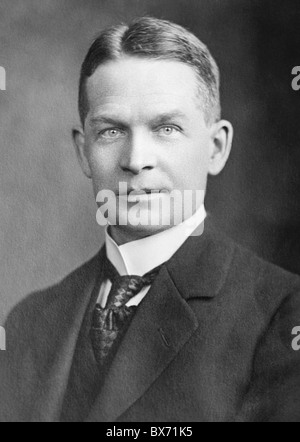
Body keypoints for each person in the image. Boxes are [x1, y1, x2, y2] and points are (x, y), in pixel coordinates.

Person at [1, 17, 300, 423]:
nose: (136, 160)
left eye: (167, 128)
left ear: (216, 148)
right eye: (111, 131)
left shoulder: (282, 313)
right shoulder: (28, 322)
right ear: (82, 151)